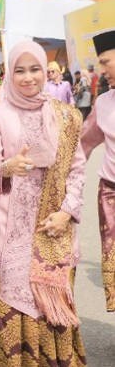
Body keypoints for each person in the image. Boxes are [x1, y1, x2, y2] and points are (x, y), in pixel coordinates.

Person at [0, 40, 86, 366]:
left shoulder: (66, 117)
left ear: (46, 71)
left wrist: (66, 213)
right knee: (11, 312)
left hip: (53, 230)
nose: (28, 78)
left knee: (50, 310)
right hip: (11, 234)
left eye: (35, 69)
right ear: (9, 73)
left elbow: (78, 170)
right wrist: (7, 167)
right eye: (19, 70)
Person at [81, 30, 115, 313]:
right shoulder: (104, 103)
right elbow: (83, 143)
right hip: (111, 196)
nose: (101, 71)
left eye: (106, 62)